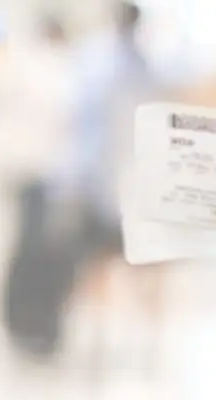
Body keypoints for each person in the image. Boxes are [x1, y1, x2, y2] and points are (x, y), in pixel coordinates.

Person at [72, 1, 168, 369]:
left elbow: (84, 133)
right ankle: (146, 345)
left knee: (99, 265)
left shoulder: (98, 69)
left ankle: (101, 340)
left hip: (107, 184)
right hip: (141, 186)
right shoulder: (151, 71)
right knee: (147, 268)